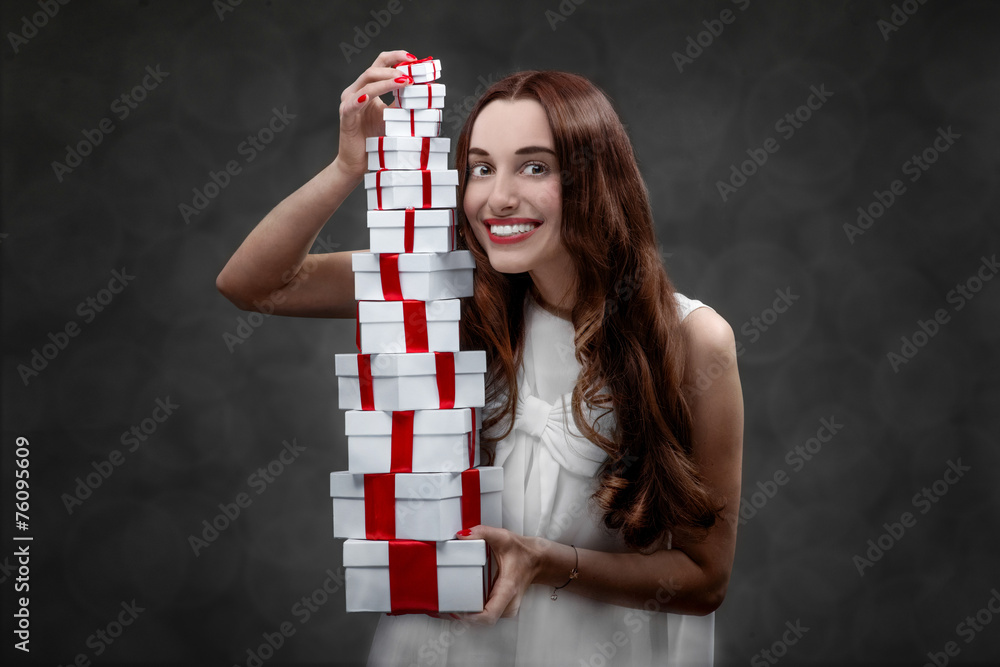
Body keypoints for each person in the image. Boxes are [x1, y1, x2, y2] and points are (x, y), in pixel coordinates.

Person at [217, 50, 744, 667]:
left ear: (593, 179)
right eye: (480, 169)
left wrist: (549, 564)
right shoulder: (446, 289)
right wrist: (345, 167)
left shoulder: (693, 341)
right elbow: (254, 283)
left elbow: (705, 579)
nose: (498, 198)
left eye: (534, 167)